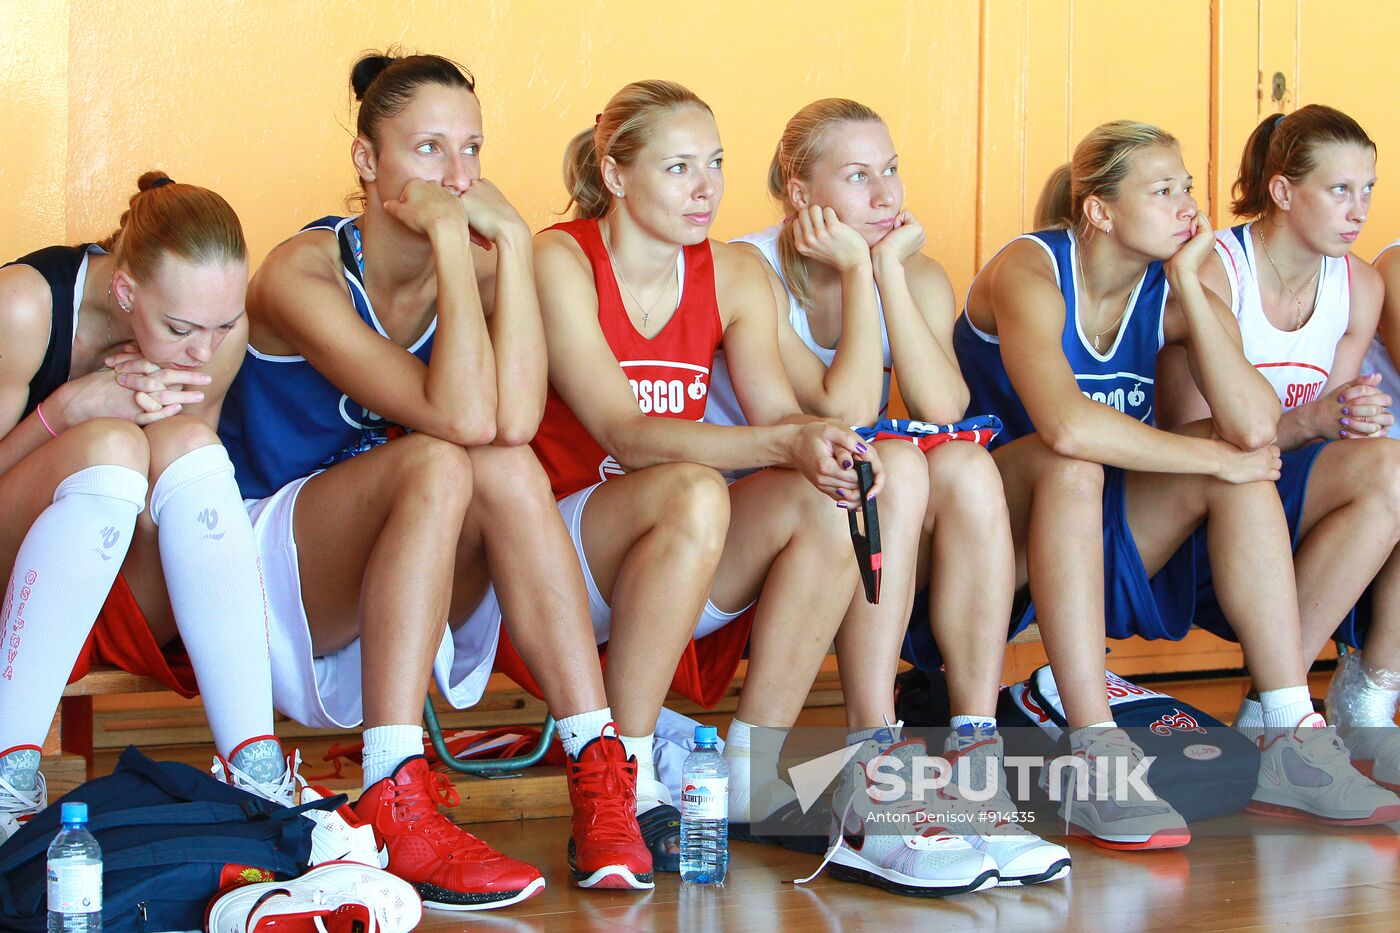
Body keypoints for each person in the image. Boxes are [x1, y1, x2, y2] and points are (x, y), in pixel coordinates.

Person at [530, 78, 1003, 897]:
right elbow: (623, 433)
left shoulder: (732, 272)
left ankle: (756, 768)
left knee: (837, 482)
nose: (705, 186)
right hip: (565, 555)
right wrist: (783, 438)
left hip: (686, 548)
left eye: (713, 163)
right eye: (679, 168)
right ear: (614, 175)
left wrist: (815, 443)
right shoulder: (561, 255)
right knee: (694, 488)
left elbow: (790, 416)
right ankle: (626, 775)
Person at [218, 51, 651, 906]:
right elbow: (452, 417)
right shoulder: (299, 275)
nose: (457, 178)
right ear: (367, 163)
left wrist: (516, 248)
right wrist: (459, 243)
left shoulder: (486, 265)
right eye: (428, 151)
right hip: (269, 582)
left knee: (502, 463)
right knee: (440, 454)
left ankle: (600, 767)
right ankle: (393, 785)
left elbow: (514, 422)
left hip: (410, 575)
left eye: (472, 151)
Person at [957, 119, 1398, 848]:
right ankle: (1095, 748)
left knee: (1235, 463)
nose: (1187, 204)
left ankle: (1286, 727)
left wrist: (1193, 284)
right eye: (1163, 190)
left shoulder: (1168, 288)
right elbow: (1065, 426)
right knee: (1080, 465)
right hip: (988, 534)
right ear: (1099, 210)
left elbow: (1255, 425)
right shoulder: (1030, 268)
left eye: (1188, 187)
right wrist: (1212, 459)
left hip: (1101, 529)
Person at [706, 97, 1069, 887]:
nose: (886, 195)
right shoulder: (751, 270)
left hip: (855, 526)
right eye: (859, 176)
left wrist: (889, 276)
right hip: (761, 530)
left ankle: (974, 753)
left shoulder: (914, 270)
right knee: (893, 463)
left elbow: (942, 405)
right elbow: (845, 412)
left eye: (893, 170)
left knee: (967, 467)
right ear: (800, 194)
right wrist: (855, 272)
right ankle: (874, 748)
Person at [0, 173, 294, 840]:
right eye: (182, 328)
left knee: (187, 445)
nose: (203, 350)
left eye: (223, 325)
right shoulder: (22, 308)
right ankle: (6, 773)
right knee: (110, 446)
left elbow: (170, 513)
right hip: (9, 566)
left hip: (103, 564)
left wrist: (157, 423)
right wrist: (66, 411)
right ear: (126, 291)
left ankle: (254, 766)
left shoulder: (216, 335)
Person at [1156, 105, 1400, 800]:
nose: (1359, 211)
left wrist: (1355, 416)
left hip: (1288, 497)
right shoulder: (1216, 272)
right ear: (1284, 191)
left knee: (1393, 464)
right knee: (1376, 469)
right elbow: (1200, 439)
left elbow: (1332, 427)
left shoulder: (1361, 286)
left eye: (1369, 190)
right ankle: (1280, 719)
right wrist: (1314, 419)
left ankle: (1336, 709)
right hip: (1203, 510)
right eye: (1339, 189)